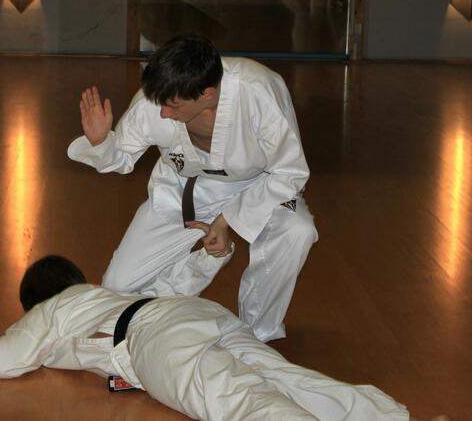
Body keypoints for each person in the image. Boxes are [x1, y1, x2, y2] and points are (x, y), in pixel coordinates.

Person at [0, 253, 448, 421]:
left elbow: (3, 359)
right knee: (287, 378)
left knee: (236, 399)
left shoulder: (51, 310)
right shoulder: (101, 294)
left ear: (36, 301)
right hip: (198, 314)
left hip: (151, 339)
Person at [67, 34, 318, 342]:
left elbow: (289, 171)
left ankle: (256, 332)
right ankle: (202, 267)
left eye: (173, 106)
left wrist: (227, 220)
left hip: (260, 186)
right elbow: (121, 156)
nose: (163, 112)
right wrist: (101, 142)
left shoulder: (258, 91)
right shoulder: (157, 97)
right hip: (185, 190)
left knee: (297, 229)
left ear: (207, 93)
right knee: (118, 288)